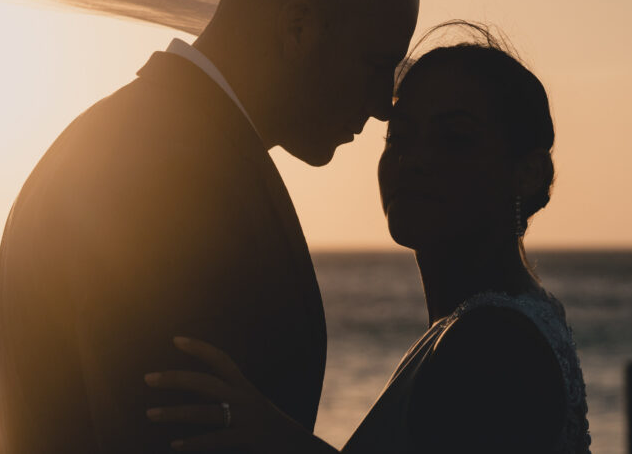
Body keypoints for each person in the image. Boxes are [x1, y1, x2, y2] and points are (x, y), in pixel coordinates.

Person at [0, 0, 420, 453]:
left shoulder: (130, 136)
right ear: (298, 28)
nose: (385, 105)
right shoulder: (171, 172)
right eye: (375, 63)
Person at [144, 25, 592, 454]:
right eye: (399, 136)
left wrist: (271, 434)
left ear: (528, 172)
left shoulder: (493, 342)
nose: (413, 159)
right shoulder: (501, 318)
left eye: (455, 139)